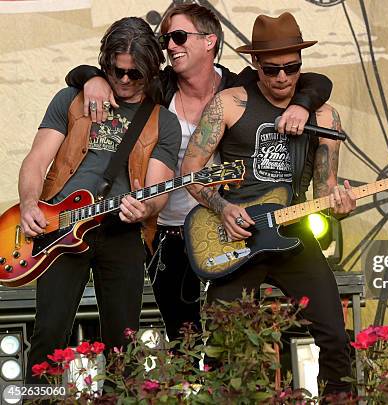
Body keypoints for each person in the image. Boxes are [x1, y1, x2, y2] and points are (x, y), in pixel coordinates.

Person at [64, 3, 333, 342]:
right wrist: (92, 78)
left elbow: (314, 80)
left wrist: (302, 103)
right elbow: (83, 74)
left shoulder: (240, 85)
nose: (170, 46)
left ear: (210, 40)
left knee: (231, 331)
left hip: (227, 227)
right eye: (166, 40)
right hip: (167, 232)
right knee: (183, 336)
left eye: (178, 36)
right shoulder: (156, 90)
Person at [181, 12, 355, 395]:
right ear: (255, 64)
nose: (282, 78)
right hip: (237, 236)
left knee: (334, 336)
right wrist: (223, 208)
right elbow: (191, 169)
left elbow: (325, 189)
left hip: (293, 234)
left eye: (292, 68)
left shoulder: (324, 115)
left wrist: (338, 203)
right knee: (221, 344)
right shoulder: (229, 103)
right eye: (272, 69)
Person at [21, 17, 181, 382]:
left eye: (134, 75)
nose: (124, 80)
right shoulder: (72, 100)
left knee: (124, 342)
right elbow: (36, 159)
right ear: (105, 62)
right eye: (116, 71)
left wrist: (147, 207)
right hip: (60, 228)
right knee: (48, 335)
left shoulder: (163, 123)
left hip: (121, 232)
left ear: (152, 70)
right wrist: (30, 202)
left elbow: (159, 190)